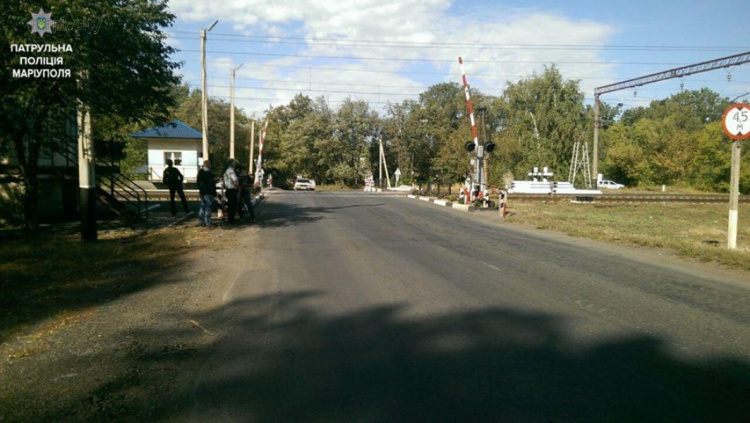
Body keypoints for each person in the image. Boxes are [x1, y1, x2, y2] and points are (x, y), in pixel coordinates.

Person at [197, 160, 217, 227]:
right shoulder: (210, 173)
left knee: (203, 206)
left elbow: (198, 183)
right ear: (209, 165)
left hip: (203, 191)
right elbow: (212, 183)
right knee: (208, 206)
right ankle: (208, 221)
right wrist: (214, 192)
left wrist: (200, 190)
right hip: (209, 191)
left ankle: (200, 221)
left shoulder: (200, 172)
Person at [223, 159, 240, 223]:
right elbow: (235, 180)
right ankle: (231, 219)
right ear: (232, 164)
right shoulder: (231, 171)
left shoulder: (227, 171)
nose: (235, 164)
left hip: (229, 189)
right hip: (232, 190)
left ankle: (231, 218)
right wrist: (237, 187)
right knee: (232, 205)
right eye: (234, 163)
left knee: (231, 205)